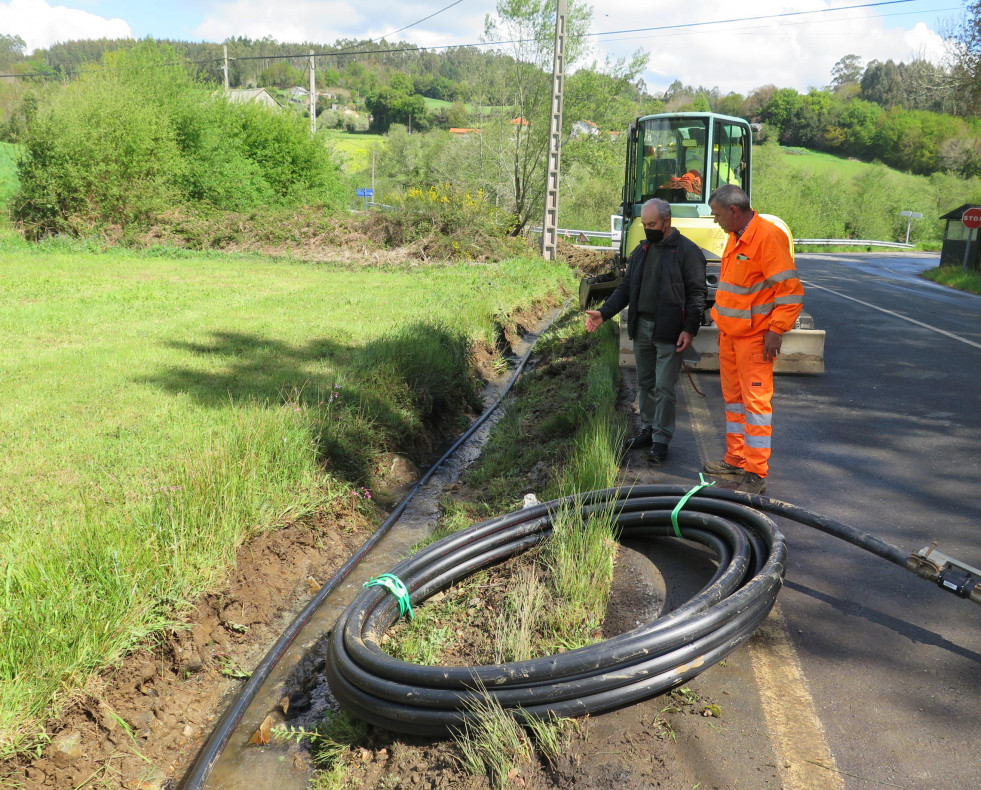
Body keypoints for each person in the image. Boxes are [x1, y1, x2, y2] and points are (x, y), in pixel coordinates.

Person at [585, 198, 707, 465]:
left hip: (670, 330)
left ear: (667, 221)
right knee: (646, 384)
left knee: (664, 388)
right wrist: (604, 313)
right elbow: (626, 289)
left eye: (652, 224)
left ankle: (661, 440)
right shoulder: (641, 252)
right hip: (642, 329)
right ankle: (648, 430)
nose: (647, 228)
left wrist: (690, 329)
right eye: (644, 223)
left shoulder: (688, 252)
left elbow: (698, 294)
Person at [703, 184, 804, 494]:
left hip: (754, 339)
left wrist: (776, 331)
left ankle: (755, 473)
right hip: (731, 337)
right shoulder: (736, 237)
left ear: (734, 211)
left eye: (717, 214)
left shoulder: (767, 237)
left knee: (755, 405)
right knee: (734, 402)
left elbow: (790, 292)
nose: (715, 219)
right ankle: (735, 460)